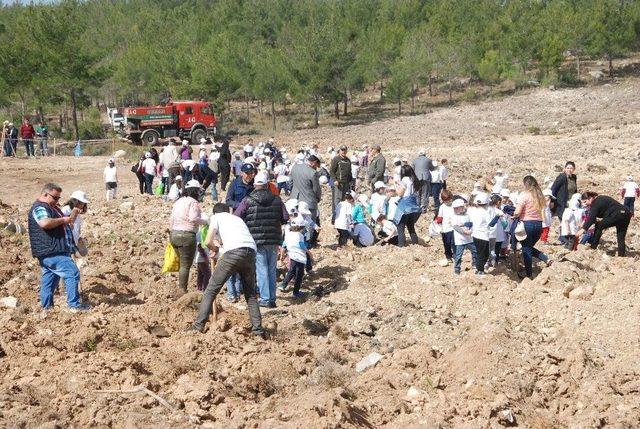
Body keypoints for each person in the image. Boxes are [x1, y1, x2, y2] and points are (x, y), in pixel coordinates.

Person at [189, 203, 264, 336]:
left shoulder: (216, 218)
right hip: (251, 252)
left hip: (233, 253)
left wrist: (215, 249)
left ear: (215, 212)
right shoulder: (237, 218)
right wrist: (219, 246)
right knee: (250, 294)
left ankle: (198, 326)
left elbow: (207, 241)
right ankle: (257, 329)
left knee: (211, 290)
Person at [27, 183, 90, 312]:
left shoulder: (53, 208)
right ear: (45, 194)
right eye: (55, 198)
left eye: (58, 198)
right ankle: (74, 306)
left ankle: (47, 309)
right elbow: (44, 222)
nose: (57, 201)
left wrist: (67, 225)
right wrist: (64, 221)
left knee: (49, 281)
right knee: (72, 273)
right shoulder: (40, 207)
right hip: (52, 250)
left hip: (51, 250)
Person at [235, 171, 288, 308]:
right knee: (271, 269)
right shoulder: (277, 199)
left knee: (261, 269)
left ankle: (265, 298)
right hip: (274, 239)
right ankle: (272, 298)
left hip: (256, 240)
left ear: (255, 185)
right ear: (267, 185)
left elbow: (236, 217)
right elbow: (285, 218)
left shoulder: (248, 200)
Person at [169, 180, 207, 295]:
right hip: (186, 235)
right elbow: (193, 218)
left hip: (174, 234)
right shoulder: (193, 202)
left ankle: (181, 288)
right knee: (185, 265)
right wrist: (205, 221)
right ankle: (182, 291)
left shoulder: (178, 201)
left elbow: (171, 219)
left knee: (181, 264)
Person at [514, 176, 550, 279]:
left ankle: (528, 274)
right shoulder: (539, 195)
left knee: (526, 249)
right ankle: (546, 259)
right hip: (539, 225)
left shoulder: (524, 195)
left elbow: (518, 211)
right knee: (528, 247)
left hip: (527, 224)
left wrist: (514, 215)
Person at [576, 191, 632, 256]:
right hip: (626, 214)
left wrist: (583, 229)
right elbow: (593, 217)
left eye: (585, 202)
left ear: (590, 198)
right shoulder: (599, 200)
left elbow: (591, 218)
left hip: (618, 214)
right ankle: (621, 255)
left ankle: (593, 247)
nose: (584, 204)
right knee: (620, 236)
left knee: (599, 225)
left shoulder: (596, 202)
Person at [290, 155, 322, 242]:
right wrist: (317, 198)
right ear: (314, 163)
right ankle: (309, 242)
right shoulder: (313, 173)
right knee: (310, 222)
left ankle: (296, 240)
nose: (316, 168)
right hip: (309, 200)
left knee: (296, 220)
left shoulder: (295, 167)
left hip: (295, 198)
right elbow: (316, 189)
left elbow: (290, 182)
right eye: (316, 166)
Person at [278, 217, 310, 299]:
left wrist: (281, 256)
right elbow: (302, 246)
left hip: (292, 256)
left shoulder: (288, 234)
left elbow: (284, 245)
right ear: (301, 227)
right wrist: (310, 254)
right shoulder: (300, 235)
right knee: (299, 274)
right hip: (299, 257)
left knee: (291, 271)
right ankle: (296, 292)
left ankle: (283, 285)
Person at [467, 192, 496, 276]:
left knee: (479, 252)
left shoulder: (473, 211)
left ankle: (478, 268)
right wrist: (497, 217)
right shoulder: (485, 212)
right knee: (484, 254)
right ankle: (480, 270)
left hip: (475, 235)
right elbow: (491, 224)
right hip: (483, 236)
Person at [394, 165, 422, 247]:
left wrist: (396, 187)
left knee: (400, 227)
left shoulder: (404, 179)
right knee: (411, 227)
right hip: (413, 205)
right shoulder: (413, 179)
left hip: (405, 206)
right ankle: (415, 244)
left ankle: (401, 246)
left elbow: (400, 193)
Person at [451, 199, 477, 274]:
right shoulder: (454, 217)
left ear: (462, 207)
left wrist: (470, 231)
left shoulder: (467, 215)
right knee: (458, 255)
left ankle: (475, 264)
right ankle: (457, 268)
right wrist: (464, 232)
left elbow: (471, 223)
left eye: (457, 208)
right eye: (454, 208)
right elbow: (456, 227)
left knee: (475, 251)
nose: (455, 210)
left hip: (469, 239)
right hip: (460, 240)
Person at [61, 191, 90, 256]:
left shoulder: (77, 211)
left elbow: (77, 226)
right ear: (76, 201)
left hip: (74, 239)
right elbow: (64, 224)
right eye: (82, 203)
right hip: (67, 240)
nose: (83, 205)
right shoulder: (66, 209)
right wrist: (74, 214)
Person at [329, 146, 353, 222]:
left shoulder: (348, 160)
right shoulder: (336, 159)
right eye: (342, 150)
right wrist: (335, 180)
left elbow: (349, 172)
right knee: (337, 200)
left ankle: (342, 217)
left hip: (346, 183)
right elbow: (332, 171)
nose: (343, 152)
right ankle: (335, 218)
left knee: (344, 200)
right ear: (339, 151)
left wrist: (351, 180)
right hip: (338, 183)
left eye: (345, 150)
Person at [437, 189, 455, 261]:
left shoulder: (454, 205)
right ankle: (448, 255)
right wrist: (438, 222)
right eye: (446, 201)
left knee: (454, 242)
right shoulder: (442, 207)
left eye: (449, 200)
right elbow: (439, 217)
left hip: (454, 227)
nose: (448, 202)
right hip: (445, 228)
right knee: (447, 243)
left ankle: (455, 255)